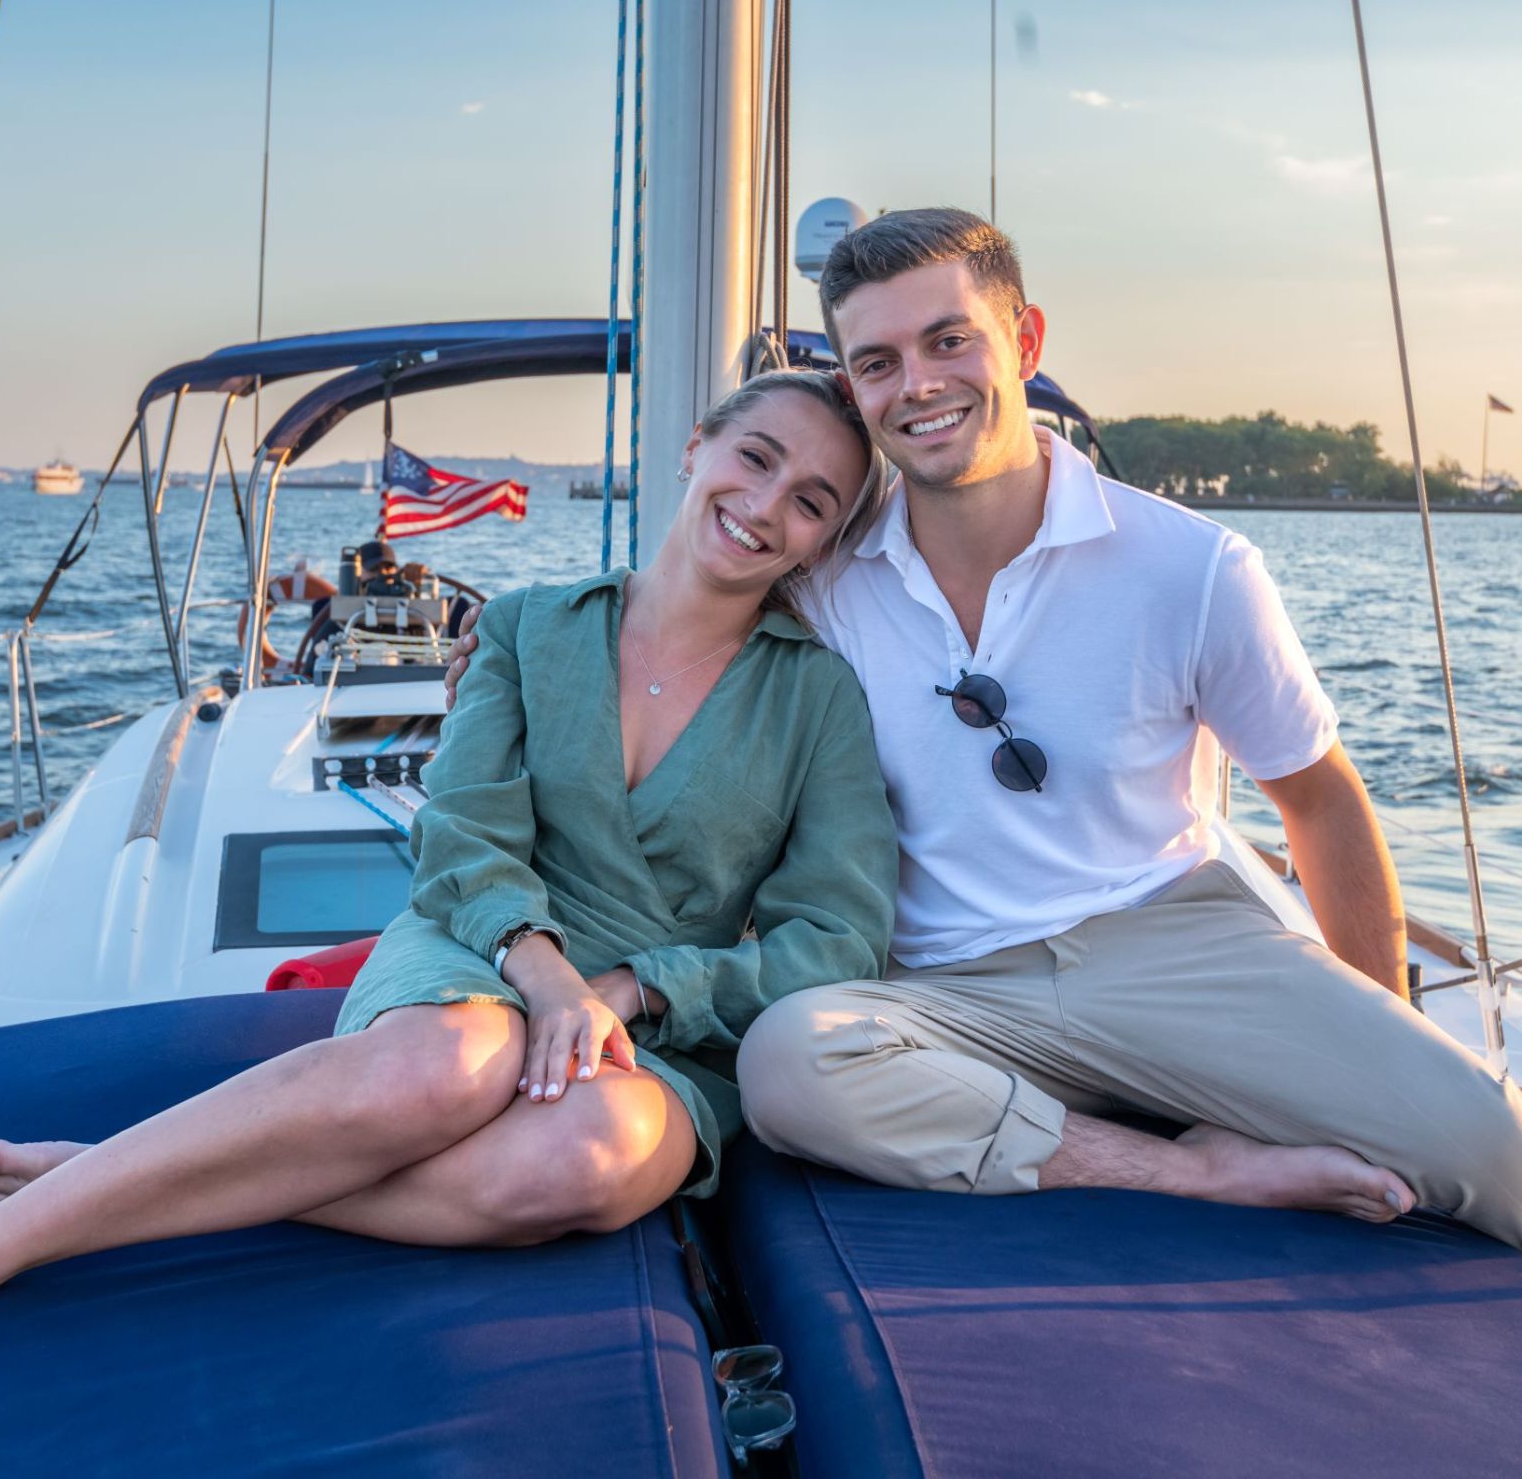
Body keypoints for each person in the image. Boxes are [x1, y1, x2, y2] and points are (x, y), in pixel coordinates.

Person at [447, 207, 1522, 1246]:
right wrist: (506, 660)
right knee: (788, 1065)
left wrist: (1378, 1038)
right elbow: (675, 614)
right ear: (854, 387)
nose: (918, 384)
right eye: (878, 362)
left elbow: (1319, 800)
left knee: (1492, 1148)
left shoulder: (1192, 568)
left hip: (1171, 948)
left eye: (949, 340)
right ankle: (1195, 1169)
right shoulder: (822, 577)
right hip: (942, 988)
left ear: (1025, 340)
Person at [0, 369, 898, 1299]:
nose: (766, 505)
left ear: (824, 540)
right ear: (697, 447)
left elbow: (838, 937)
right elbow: (462, 832)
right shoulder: (524, 627)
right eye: (756, 458)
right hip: (481, 943)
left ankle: (110, 1179)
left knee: (585, 1160)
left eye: (810, 501)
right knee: (448, 1069)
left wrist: (636, 989)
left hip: (669, 1024)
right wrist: (549, 981)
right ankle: (9, 1236)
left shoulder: (819, 699)